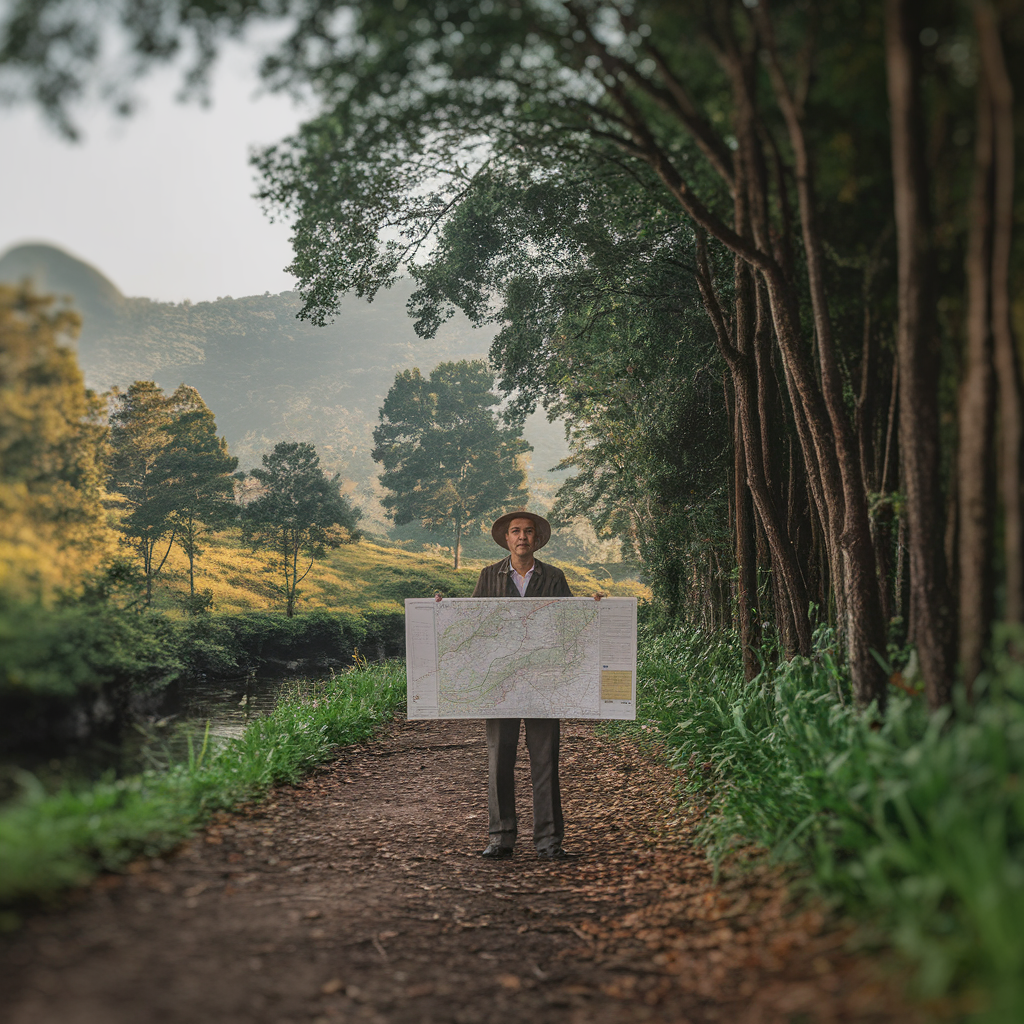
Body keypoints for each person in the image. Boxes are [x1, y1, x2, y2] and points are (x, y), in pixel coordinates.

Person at [458, 510, 601, 860]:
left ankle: (549, 842)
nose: (522, 537)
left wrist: (594, 608)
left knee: (545, 761)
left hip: (543, 683)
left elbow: (571, 625)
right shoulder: (488, 576)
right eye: (515, 531)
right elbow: (471, 623)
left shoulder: (554, 577)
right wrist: (440, 609)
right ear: (506, 539)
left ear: (536, 539)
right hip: (500, 683)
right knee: (499, 760)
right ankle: (501, 837)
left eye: (528, 532)